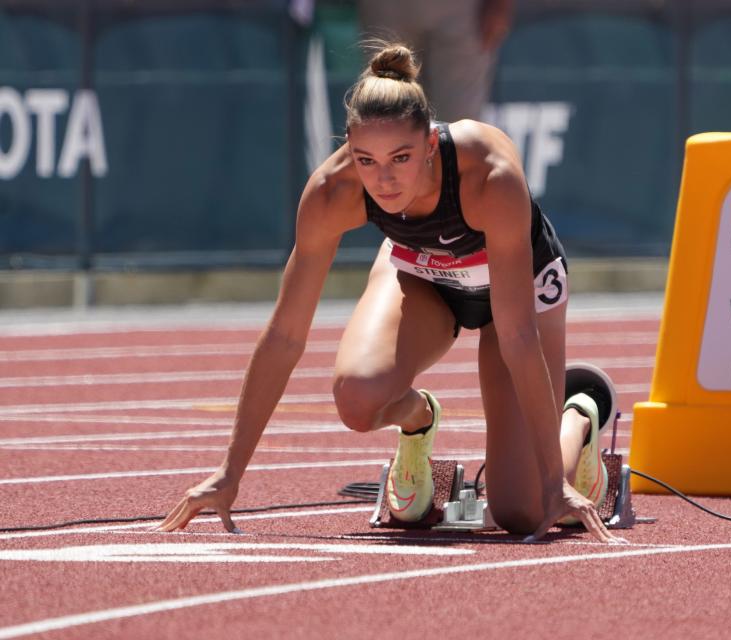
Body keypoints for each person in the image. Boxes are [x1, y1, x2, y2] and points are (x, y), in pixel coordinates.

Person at [158, 42, 622, 544]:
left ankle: (578, 412)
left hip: (512, 292)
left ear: (429, 145)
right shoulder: (332, 191)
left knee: (524, 510)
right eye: (366, 160)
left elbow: (516, 335)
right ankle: (419, 421)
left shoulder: (489, 177)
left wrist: (555, 484)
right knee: (356, 400)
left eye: (400, 158)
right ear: (349, 152)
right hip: (426, 277)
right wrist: (230, 473)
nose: (384, 179)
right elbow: (285, 335)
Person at [356, 0, 513, 122]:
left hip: (462, 11)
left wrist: (500, 4)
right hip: (391, 8)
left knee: (459, 126)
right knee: (387, 118)